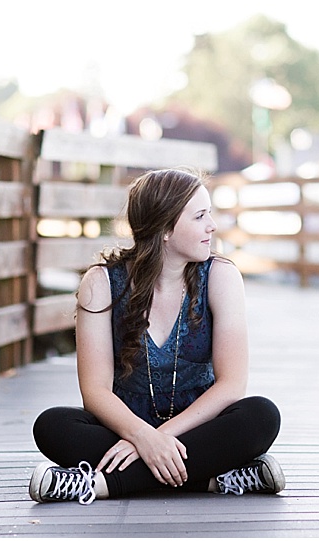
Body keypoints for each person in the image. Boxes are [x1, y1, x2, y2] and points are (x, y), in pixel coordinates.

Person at [29, 167, 284, 505]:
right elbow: (95, 391)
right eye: (200, 216)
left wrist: (157, 439)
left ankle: (101, 485)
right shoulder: (102, 284)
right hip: (123, 428)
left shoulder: (220, 277)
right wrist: (140, 435)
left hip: (197, 429)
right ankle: (214, 480)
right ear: (165, 229)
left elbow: (232, 385)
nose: (212, 225)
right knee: (52, 425)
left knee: (261, 416)